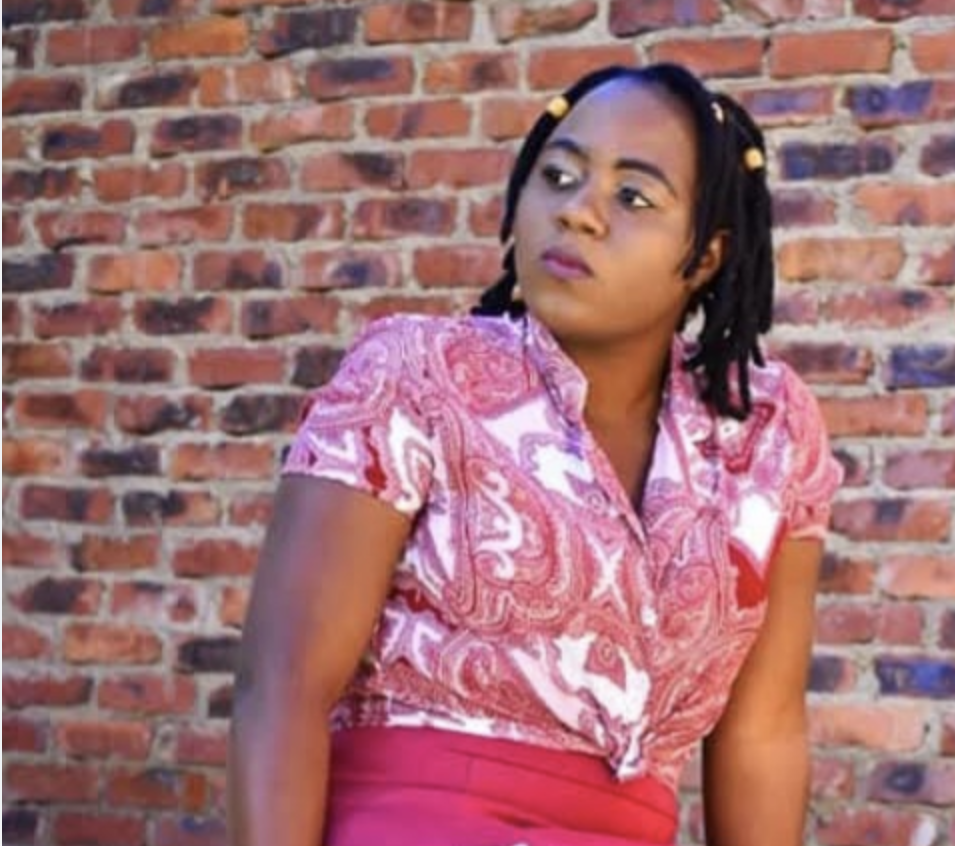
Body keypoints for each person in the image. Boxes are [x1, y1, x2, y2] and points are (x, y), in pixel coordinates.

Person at [228, 62, 844, 846]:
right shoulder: (416, 374)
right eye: (556, 175)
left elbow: (763, 734)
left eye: (633, 196)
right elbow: (279, 688)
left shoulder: (765, 432)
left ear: (709, 256)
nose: (577, 211)